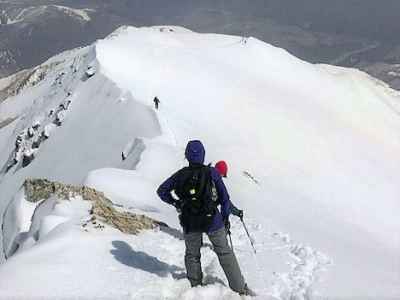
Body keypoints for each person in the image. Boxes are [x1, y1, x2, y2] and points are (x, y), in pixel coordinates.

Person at [157, 140, 252, 295]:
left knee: (192, 254)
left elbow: (162, 191)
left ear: (187, 155)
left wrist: (176, 203)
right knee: (225, 253)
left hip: (189, 221)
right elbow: (225, 199)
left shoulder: (180, 175)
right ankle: (240, 288)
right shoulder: (212, 173)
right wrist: (225, 218)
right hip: (213, 221)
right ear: (203, 155)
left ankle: (196, 287)